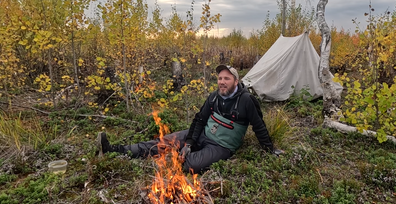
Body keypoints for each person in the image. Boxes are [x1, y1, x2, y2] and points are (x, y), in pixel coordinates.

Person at [97, 64, 283, 173]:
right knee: (162, 142)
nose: (222, 82)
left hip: (221, 147)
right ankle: (116, 150)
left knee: (190, 164)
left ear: (236, 81)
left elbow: (259, 126)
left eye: (226, 78)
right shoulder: (213, 96)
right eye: (219, 78)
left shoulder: (246, 100)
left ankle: (162, 165)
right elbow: (199, 120)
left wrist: (270, 150)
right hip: (201, 135)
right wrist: (189, 143)